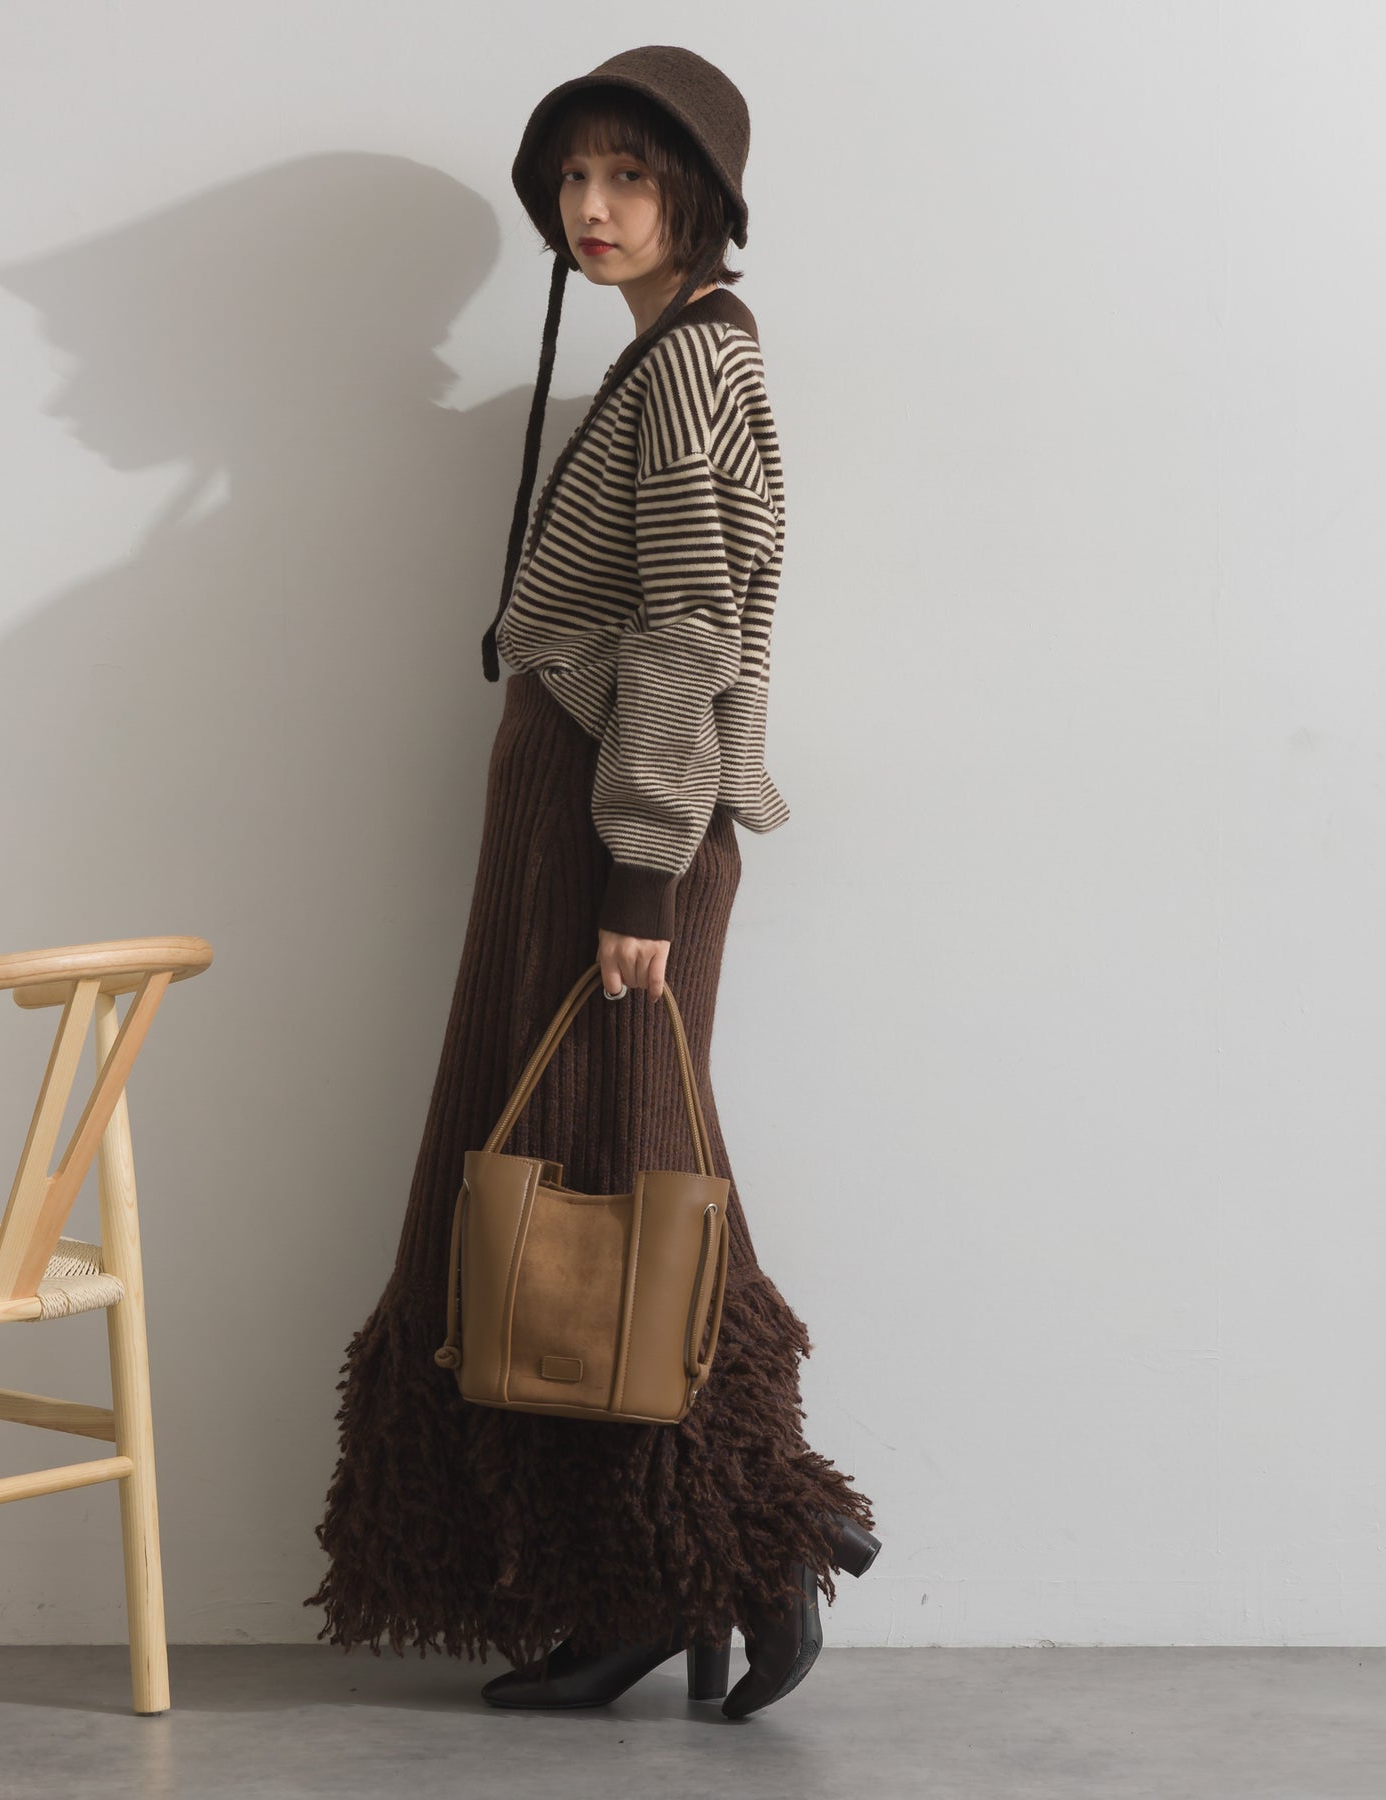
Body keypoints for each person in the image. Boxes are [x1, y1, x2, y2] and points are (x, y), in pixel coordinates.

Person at [306, 45, 878, 1720]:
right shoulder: (653, 360)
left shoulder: (690, 368)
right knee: (572, 1180)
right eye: (573, 175)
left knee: (615, 1180)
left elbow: (689, 631)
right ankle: (659, 1574)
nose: (593, 205)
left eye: (630, 173)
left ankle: (750, 1545)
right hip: (581, 814)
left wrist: (635, 870)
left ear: (699, 196)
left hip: (617, 826)